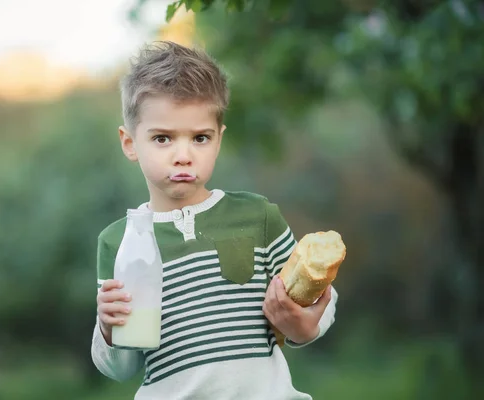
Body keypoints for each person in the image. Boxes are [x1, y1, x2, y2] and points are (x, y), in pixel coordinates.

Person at [91, 40, 338, 399]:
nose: (183, 156)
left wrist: (304, 326)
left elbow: (319, 300)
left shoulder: (257, 217)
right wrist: (108, 330)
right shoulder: (119, 242)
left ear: (218, 140)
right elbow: (121, 368)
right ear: (130, 143)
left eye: (200, 138)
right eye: (162, 138)